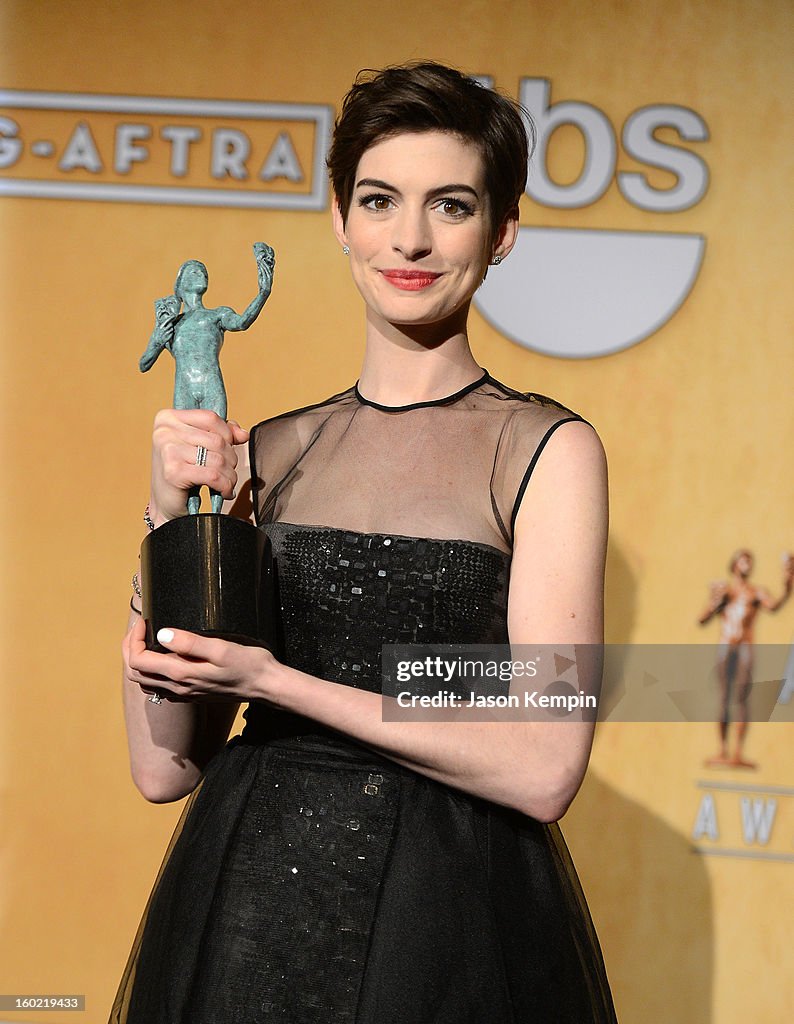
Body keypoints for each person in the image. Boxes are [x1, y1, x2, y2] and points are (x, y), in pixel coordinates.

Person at [111, 62, 615, 1023]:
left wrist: (274, 683)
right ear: (341, 217)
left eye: (452, 205)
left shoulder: (545, 450)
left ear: (502, 231)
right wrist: (167, 517)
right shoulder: (264, 452)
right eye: (381, 200)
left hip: (450, 914)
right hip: (249, 904)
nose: (411, 239)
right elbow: (163, 765)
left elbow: (546, 765)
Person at [138, 243, 275, 513]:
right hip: (185, 390)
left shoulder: (216, 315)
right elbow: (144, 363)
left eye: (202, 271)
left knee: (215, 451)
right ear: (179, 285)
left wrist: (264, 291)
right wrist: (157, 338)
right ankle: (191, 515)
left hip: (212, 385)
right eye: (192, 271)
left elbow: (242, 321)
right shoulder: (172, 325)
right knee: (188, 453)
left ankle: (214, 514)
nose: (200, 272)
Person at [698, 549, 793, 767]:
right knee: (723, 698)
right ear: (735, 565)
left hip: (744, 648)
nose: (748, 565)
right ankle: (722, 749)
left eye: (750, 561)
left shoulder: (755, 593)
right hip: (726, 647)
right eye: (744, 561)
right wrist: (715, 603)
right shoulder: (726, 592)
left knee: (741, 699)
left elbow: (774, 605)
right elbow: (703, 618)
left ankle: (737, 752)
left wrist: (787, 586)